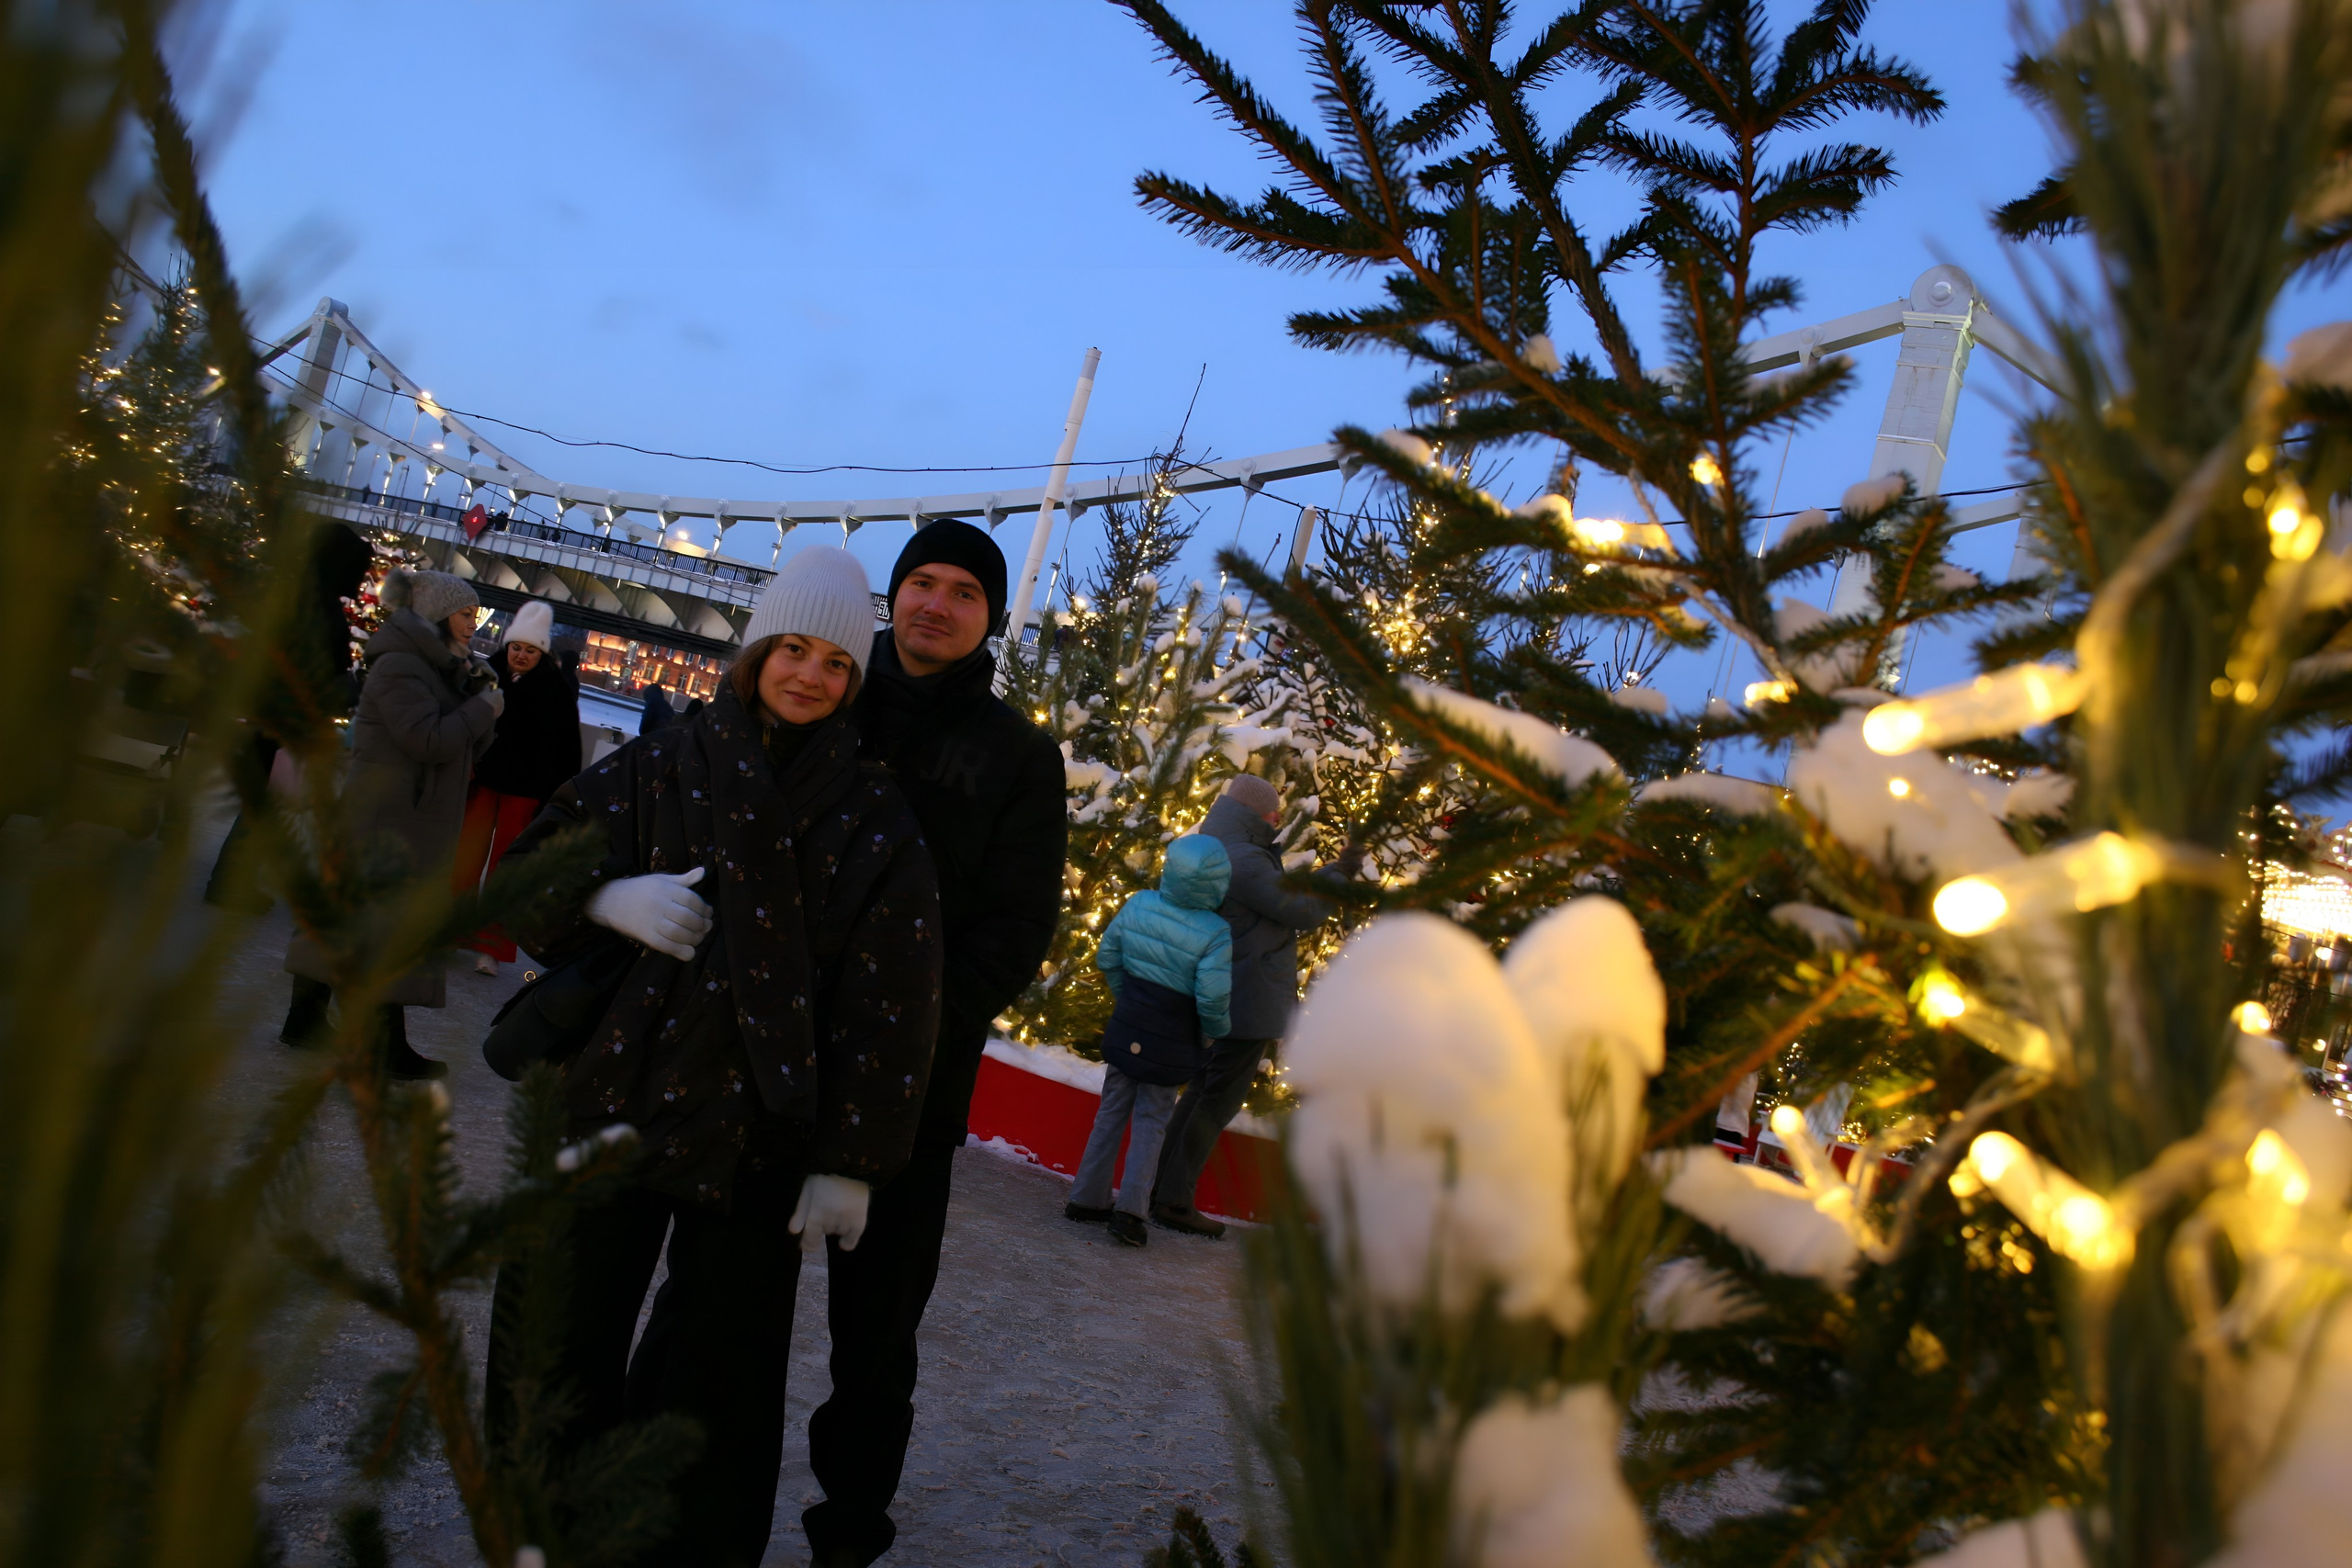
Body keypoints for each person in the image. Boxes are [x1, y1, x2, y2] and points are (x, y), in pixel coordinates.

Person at [485, 546, 941, 1568]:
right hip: (615, 1096)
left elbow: (893, 1000)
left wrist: (851, 1158)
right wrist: (602, 897)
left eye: (836, 661)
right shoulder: (655, 765)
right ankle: (533, 1537)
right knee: (558, 1342)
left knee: (718, 1385)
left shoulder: (875, 817)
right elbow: (520, 880)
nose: (810, 676)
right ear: (755, 652)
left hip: (757, 1136)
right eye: (793, 649)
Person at [805, 519, 1066, 1568]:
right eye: (921, 581)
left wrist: (901, 1027)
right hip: (762, 1066)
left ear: (990, 618)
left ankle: (848, 1531)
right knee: (716, 1306)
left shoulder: (1020, 757)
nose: (937, 604)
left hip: (911, 1091)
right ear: (892, 594)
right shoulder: (818, 695)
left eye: (964, 591)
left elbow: (1015, 934)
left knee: (874, 1340)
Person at [280, 568, 503, 1079]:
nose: (475, 623)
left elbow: (465, 748)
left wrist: (480, 701)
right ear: (438, 614)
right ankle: (382, 1045)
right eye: (466, 614)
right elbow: (426, 739)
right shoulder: (400, 665)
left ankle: (305, 1018)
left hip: (408, 816)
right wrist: (479, 711)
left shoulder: (442, 667)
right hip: (383, 816)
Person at [1150, 773, 1361, 1239]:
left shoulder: (1217, 842)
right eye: (1272, 812)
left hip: (1225, 988)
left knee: (1203, 1090)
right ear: (1253, 813)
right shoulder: (1244, 858)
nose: (1279, 817)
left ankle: (1160, 1187)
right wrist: (1340, 872)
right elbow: (1301, 910)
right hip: (1245, 995)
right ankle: (1173, 1199)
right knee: (1215, 1101)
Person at [1066, 834, 1233, 1247]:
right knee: (1152, 1123)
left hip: (1128, 1028)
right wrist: (1211, 1035)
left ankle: (1086, 1198)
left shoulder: (1139, 903)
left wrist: (1130, 1000)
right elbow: (1212, 997)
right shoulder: (1215, 932)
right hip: (1172, 1041)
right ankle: (1130, 1212)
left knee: (1110, 1113)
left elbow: (1108, 956)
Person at [204, 520, 374, 911]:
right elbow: (315, 669)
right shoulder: (318, 606)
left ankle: (230, 878)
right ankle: (229, 881)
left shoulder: (298, 595)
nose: (361, 578)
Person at [451, 600, 582, 976]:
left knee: (507, 869)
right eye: (516, 648)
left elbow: (567, 748)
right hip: (483, 781)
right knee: (463, 860)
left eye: (530, 650)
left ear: (542, 652)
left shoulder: (555, 690)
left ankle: (490, 947)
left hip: (525, 791)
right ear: (507, 646)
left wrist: (556, 799)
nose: (521, 656)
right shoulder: (485, 674)